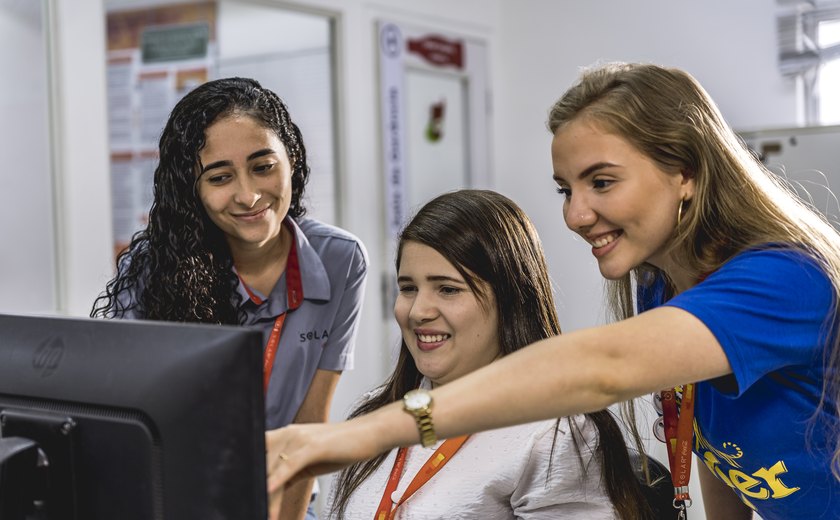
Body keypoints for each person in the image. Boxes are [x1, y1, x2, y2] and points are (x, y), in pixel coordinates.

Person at [265, 62, 840, 520]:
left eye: (602, 182)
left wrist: (357, 434)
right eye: (566, 188)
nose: (576, 213)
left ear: (684, 171)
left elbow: (600, 368)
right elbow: (720, 443)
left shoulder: (785, 279)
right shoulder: (661, 283)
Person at [90, 77, 368, 520]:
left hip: (280, 499)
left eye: (263, 166)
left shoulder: (340, 260)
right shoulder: (153, 268)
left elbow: (310, 420)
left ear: (291, 160)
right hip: (176, 498)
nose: (249, 194)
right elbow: (121, 422)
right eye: (220, 177)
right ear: (192, 189)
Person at [325, 189, 664, 519]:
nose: (418, 311)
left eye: (447, 289)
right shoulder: (377, 414)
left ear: (510, 300)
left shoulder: (553, 434)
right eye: (408, 288)